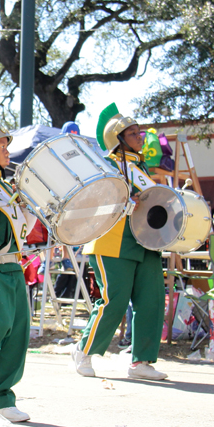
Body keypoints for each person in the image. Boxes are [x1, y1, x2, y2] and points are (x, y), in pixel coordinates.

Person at [71, 103, 168, 381]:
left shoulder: (142, 167)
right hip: (112, 240)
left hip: (145, 241)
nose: (140, 137)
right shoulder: (106, 165)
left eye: (139, 132)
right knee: (114, 300)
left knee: (151, 301)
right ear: (119, 139)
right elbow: (93, 201)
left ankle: (141, 362)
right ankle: (84, 350)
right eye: (133, 133)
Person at [0, 121, 36, 423]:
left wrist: (26, 205)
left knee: (18, 334)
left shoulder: (5, 183)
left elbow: (22, 230)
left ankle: (1, 397)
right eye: (1, 145)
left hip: (14, 264)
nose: (7, 151)